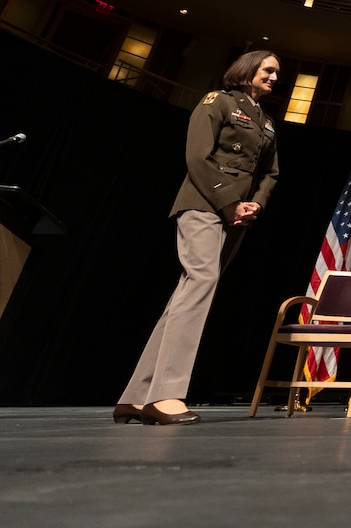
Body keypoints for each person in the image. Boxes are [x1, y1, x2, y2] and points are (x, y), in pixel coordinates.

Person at [116, 50, 282, 425]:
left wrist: (254, 205)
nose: (274, 77)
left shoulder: (266, 122)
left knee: (187, 293)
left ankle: (136, 396)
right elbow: (197, 156)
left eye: (276, 73)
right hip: (204, 205)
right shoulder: (217, 102)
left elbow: (271, 173)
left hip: (237, 216)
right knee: (201, 282)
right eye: (268, 70)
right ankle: (164, 394)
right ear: (247, 70)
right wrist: (229, 203)